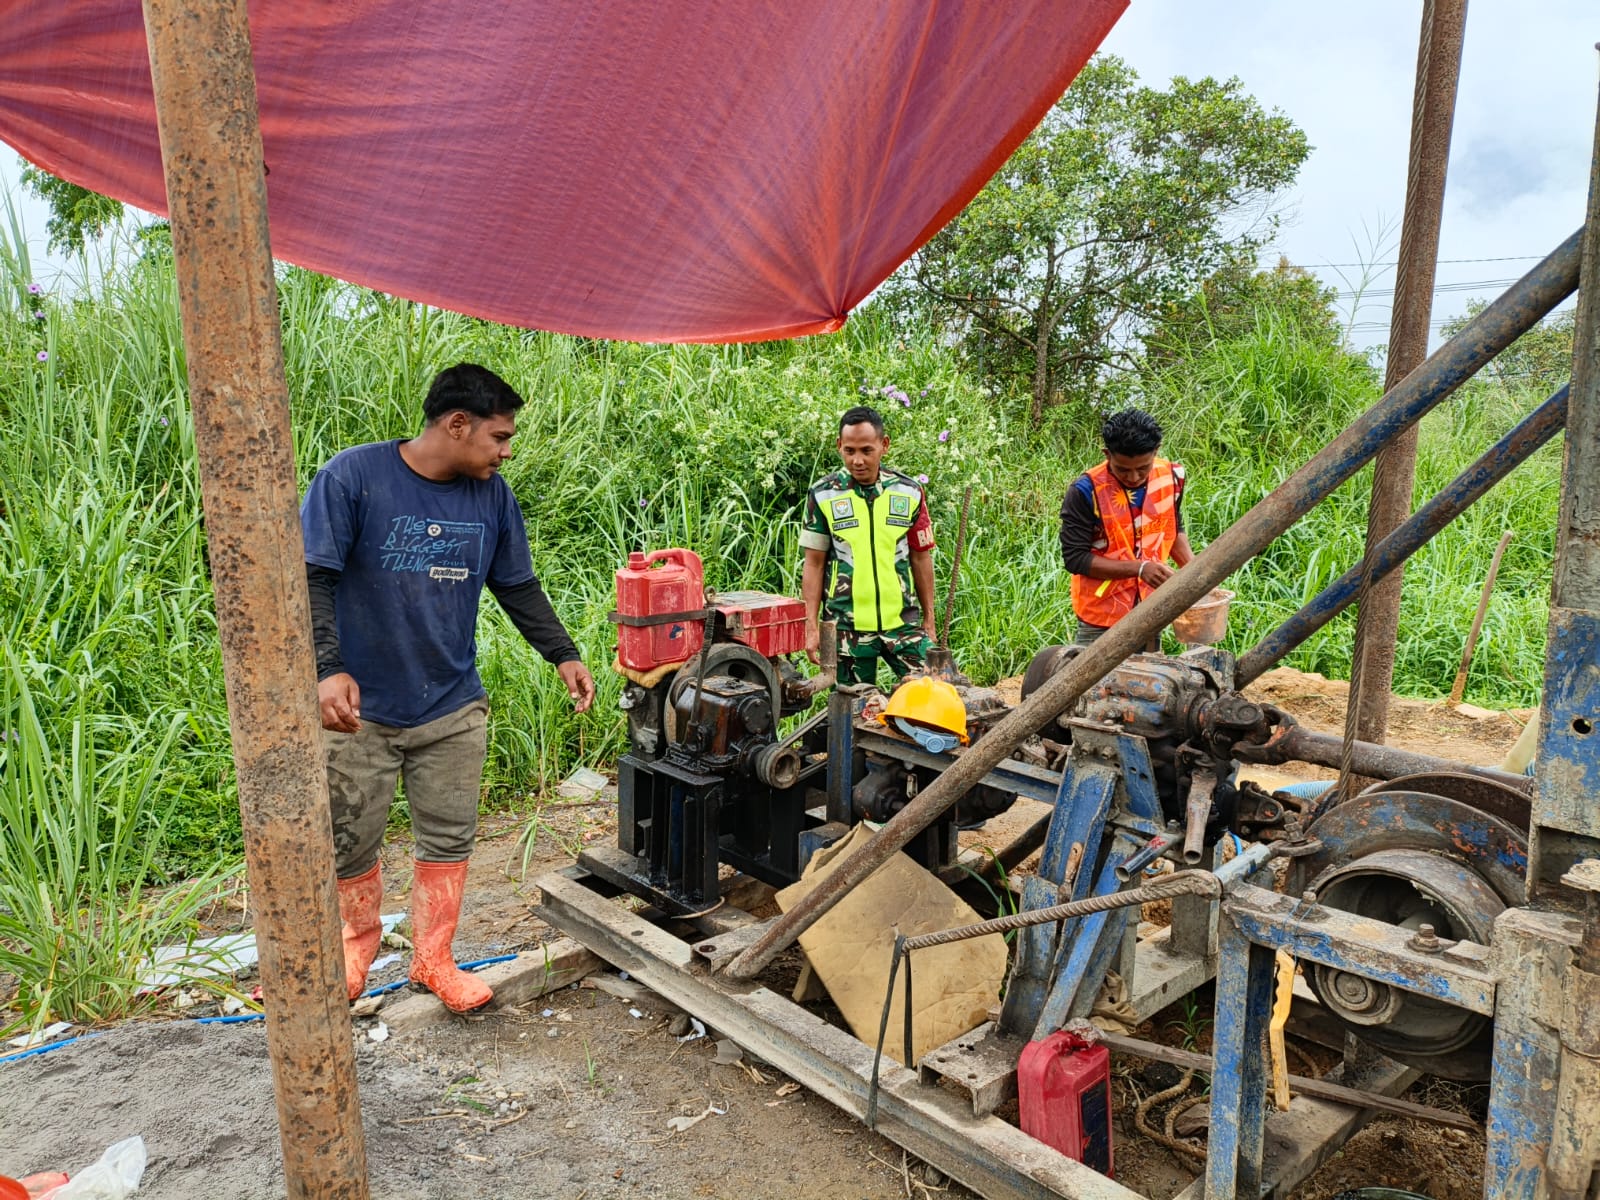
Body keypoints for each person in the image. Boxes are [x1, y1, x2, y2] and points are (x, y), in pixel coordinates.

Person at [301, 363, 596, 1013]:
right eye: (499, 436)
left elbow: (515, 584)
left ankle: (433, 959)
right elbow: (311, 575)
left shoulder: (492, 497)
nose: (506, 450)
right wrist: (326, 669)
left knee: (450, 837)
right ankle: (354, 952)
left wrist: (562, 654)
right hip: (359, 708)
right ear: (456, 425)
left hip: (452, 704)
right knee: (348, 838)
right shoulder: (352, 478)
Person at [801, 405, 937, 686]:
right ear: (839, 446)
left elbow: (921, 558)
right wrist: (810, 626)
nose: (858, 460)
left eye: (866, 450)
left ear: (884, 445)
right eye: (849, 451)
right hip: (845, 629)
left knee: (936, 691)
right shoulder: (824, 494)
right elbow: (813, 564)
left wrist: (929, 619)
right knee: (850, 714)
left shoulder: (909, 491)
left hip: (902, 625)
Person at [1059, 408, 1194, 646]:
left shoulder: (1171, 477)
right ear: (1107, 454)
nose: (1134, 477)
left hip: (1151, 604)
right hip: (1102, 613)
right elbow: (1075, 558)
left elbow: (1173, 527)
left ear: (1156, 452)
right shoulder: (1085, 491)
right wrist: (1140, 568)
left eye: (1143, 468)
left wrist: (1195, 572)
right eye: (1122, 469)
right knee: (1091, 679)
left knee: (1148, 675)